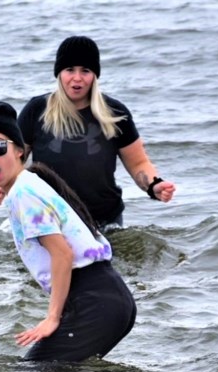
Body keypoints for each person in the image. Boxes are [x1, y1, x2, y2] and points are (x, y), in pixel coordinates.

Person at [0, 101, 137, 362]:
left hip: (96, 302)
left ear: (19, 151)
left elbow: (62, 254)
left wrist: (52, 318)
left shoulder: (24, 192)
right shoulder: (29, 183)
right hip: (108, 298)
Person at [18, 35, 175, 229]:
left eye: (85, 70)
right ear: (59, 74)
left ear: (95, 75)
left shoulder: (115, 113)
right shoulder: (36, 110)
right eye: (70, 70)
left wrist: (154, 186)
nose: (77, 78)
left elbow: (138, 163)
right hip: (50, 217)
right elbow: (15, 158)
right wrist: (3, 186)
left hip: (104, 220)